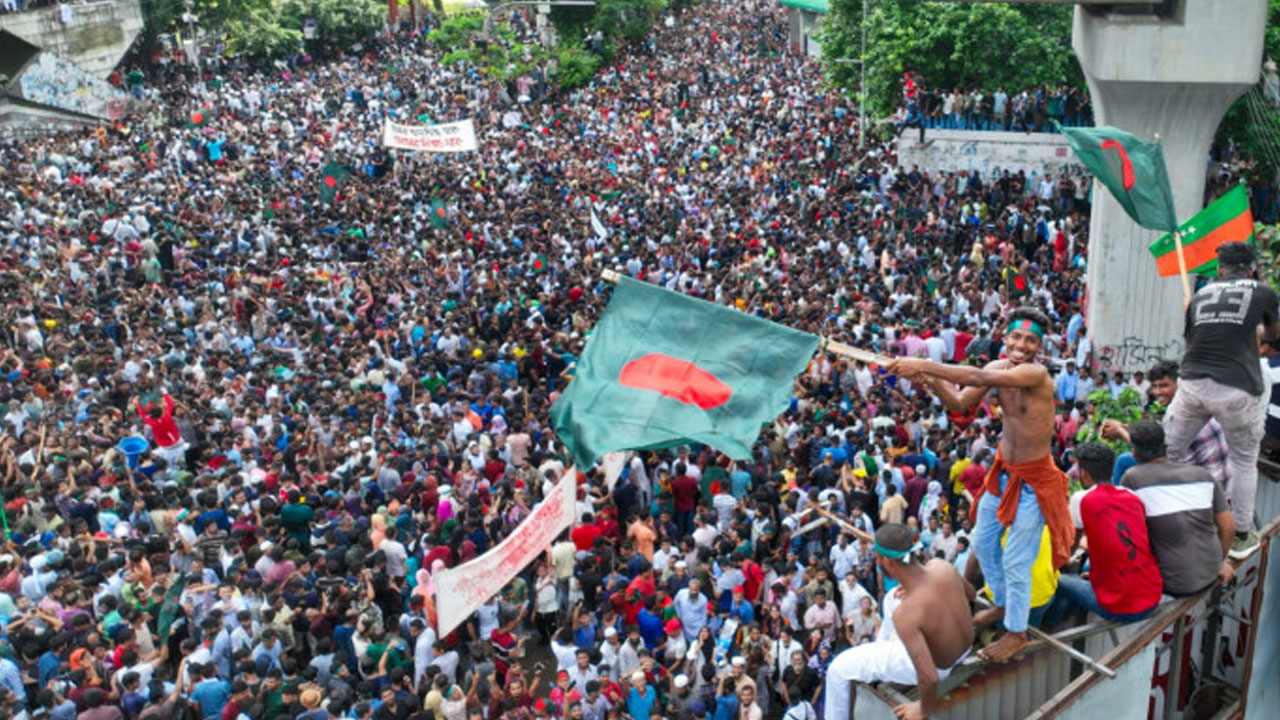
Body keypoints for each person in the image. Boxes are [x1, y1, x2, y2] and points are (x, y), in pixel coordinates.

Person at [889, 307, 1074, 663]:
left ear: (1039, 346)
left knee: (1018, 560)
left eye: (1031, 340)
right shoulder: (996, 370)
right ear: (1005, 337)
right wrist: (932, 382)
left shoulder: (1035, 373)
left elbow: (972, 373)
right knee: (985, 544)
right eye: (1016, 337)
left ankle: (1017, 631)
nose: (1022, 344)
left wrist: (924, 365)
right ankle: (1005, 605)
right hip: (1003, 474)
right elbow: (960, 402)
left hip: (1035, 481)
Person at [1164, 242, 1280, 557]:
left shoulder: (1199, 295)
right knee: (1243, 460)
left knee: (1170, 453)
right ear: (1252, 268)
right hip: (1237, 389)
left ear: (1219, 269)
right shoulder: (1263, 290)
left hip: (1191, 385)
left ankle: (1159, 514)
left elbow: (1192, 341)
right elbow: (1273, 334)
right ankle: (1241, 535)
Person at [823, 524, 974, 720]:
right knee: (891, 598)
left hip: (940, 667)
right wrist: (915, 589)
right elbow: (970, 593)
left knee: (838, 669)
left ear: (885, 560)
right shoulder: (942, 566)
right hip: (963, 647)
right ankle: (882, 649)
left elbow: (930, 678)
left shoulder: (907, 614)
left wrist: (922, 709)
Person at [1120, 420, 1235, 596]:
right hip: (1212, 573)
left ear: (1134, 453)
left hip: (1174, 585)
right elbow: (1228, 528)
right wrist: (1220, 561)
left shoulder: (1132, 478)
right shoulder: (1202, 474)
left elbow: (1127, 533)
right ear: (1165, 446)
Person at [1058, 443, 1162, 623]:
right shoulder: (1132, 495)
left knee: (1057, 579)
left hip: (1120, 607)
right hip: (1153, 593)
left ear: (1084, 473)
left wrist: (1061, 561)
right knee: (1087, 566)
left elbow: (1071, 545)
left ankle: (1053, 625)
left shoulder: (1081, 499)